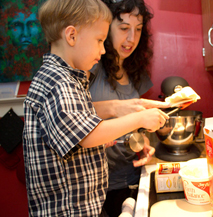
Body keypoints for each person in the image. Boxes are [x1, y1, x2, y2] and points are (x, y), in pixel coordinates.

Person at [22, 0, 168, 216]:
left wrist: (128, 107)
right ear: (71, 36)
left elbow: (78, 117)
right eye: (99, 40)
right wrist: (140, 119)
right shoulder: (58, 82)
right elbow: (87, 135)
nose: (102, 48)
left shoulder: (67, 78)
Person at [88, 0, 159, 216]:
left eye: (138, 30)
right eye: (124, 28)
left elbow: (134, 126)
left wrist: (143, 142)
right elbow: (72, 113)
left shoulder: (135, 72)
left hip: (132, 178)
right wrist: (115, 108)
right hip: (98, 187)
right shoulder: (90, 65)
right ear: (106, 28)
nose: (131, 39)